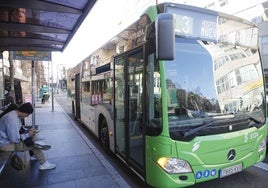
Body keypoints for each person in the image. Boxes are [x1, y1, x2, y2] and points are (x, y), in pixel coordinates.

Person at [0, 102, 56, 170]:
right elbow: (14, 139)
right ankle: (43, 163)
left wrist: (28, 131)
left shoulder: (14, 114)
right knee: (35, 145)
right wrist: (28, 135)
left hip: (6, 141)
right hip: (6, 145)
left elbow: (18, 129)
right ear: (25, 112)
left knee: (34, 138)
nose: (27, 116)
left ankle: (35, 153)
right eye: (28, 114)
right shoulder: (12, 119)